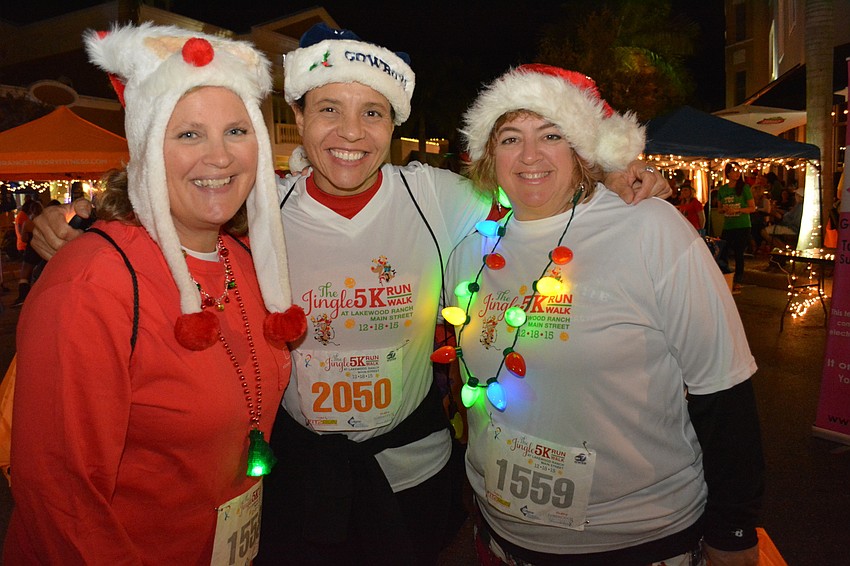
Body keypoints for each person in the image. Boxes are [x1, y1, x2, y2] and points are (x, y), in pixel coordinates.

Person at [30, 23, 669, 566]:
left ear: (395, 123)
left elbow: (536, 183)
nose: (351, 133)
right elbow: (174, 213)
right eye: (329, 109)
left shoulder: (438, 198)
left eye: (373, 112)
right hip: (296, 481)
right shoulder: (257, 207)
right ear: (298, 118)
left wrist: (615, 169)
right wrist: (80, 222)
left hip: (411, 474)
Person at [4, 23, 305, 564]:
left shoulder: (245, 260)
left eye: (236, 131)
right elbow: (63, 502)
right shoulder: (92, 283)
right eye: (188, 134)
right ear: (144, 148)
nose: (220, 157)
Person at [444, 64, 763, 566]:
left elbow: (722, 389)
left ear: (582, 147)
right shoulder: (472, 251)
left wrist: (734, 529)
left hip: (637, 541)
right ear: (489, 153)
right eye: (510, 137)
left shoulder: (649, 228)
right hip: (502, 538)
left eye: (552, 134)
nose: (530, 155)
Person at [718, 162, 756, 294]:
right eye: (734, 171)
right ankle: (725, 275)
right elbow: (719, 208)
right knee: (723, 250)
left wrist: (739, 209)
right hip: (728, 225)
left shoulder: (744, 188)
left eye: (739, 171)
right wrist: (725, 209)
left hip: (742, 225)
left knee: (739, 253)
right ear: (728, 173)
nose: (737, 174)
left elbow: (752, 207)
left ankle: (738, 280)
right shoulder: (723, 190)